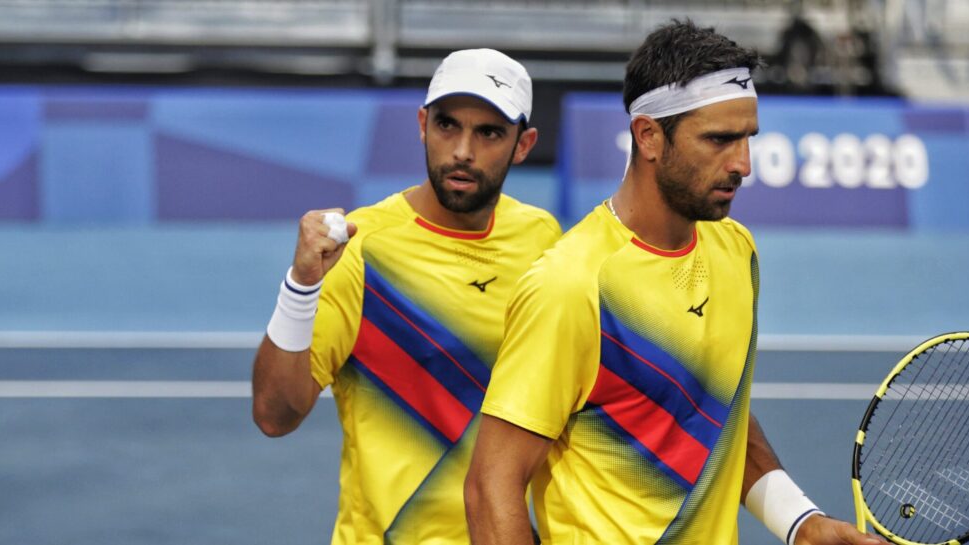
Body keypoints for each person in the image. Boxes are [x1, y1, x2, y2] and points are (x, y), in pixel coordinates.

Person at [464, 21, 887, 545]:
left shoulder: (736, 252)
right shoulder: (570, 285)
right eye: (719, 139)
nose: (743, 164)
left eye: (747, 138)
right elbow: (491, 487)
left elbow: (711, 410)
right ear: (649, 136)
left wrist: (800, 522)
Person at [251, 48, 561, 544]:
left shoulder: (541, 239)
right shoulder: (362, 249)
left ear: (523, 145)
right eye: (447, 125)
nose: (462, 151)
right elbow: (274, 414)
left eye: (488, 133)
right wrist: (301, 285)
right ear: (422, 125)